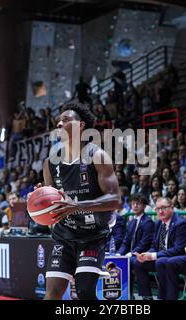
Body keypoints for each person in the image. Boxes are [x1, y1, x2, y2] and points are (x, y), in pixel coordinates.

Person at [41, 101, 121, 300]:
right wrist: (40, 200)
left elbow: (115, 199)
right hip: (64, 234)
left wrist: (78, 206)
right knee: (52, 293)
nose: (59, 124)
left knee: (85, 292)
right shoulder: (50, 162)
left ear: (81, 125)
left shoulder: (98, 156)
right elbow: (52, 199)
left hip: (92, 235)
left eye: (66, 120)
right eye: (58, 121)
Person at [132, 197, 186, 300]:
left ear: (172, 208)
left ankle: (164, 297)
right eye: (158, 209)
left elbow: (178, 249)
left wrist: (153, 255)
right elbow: (154, 246)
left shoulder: (181, 224)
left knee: (160, 262)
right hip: (163, 257)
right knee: (138, 262)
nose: (160, 211)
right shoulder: (159, 223)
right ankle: (146, 296)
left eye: (163, 208)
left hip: (181, 258)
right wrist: (147, 254)